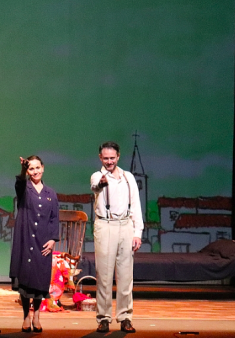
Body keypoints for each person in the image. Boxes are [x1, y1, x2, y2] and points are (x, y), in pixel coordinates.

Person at [90, 141, 143, 333]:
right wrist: (102, 182)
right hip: (105, 225)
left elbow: (136, 205)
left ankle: (125, 317)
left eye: (112, 158)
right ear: (100, 158)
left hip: (125, 226)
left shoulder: (128, 178)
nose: (109, 161)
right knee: (104, 275)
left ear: (118, 157)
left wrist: (137, 233)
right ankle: (103, 318)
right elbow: (96, 186)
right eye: (106, 158)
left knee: (125, 275)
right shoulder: (97, 175)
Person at [9, 156, 59, 333]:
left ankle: (37, 315)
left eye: (37, 168)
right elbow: (20, 182)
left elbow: (54, 218)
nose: (35, 171)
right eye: (31, 169)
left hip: (42, 241)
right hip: (25, 240)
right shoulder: (24, 188)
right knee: (25, 281)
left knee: (39, 280)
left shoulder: (50, 193)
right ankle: (26, 316)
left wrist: (53, 239)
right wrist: (23, 168)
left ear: (43, 168)